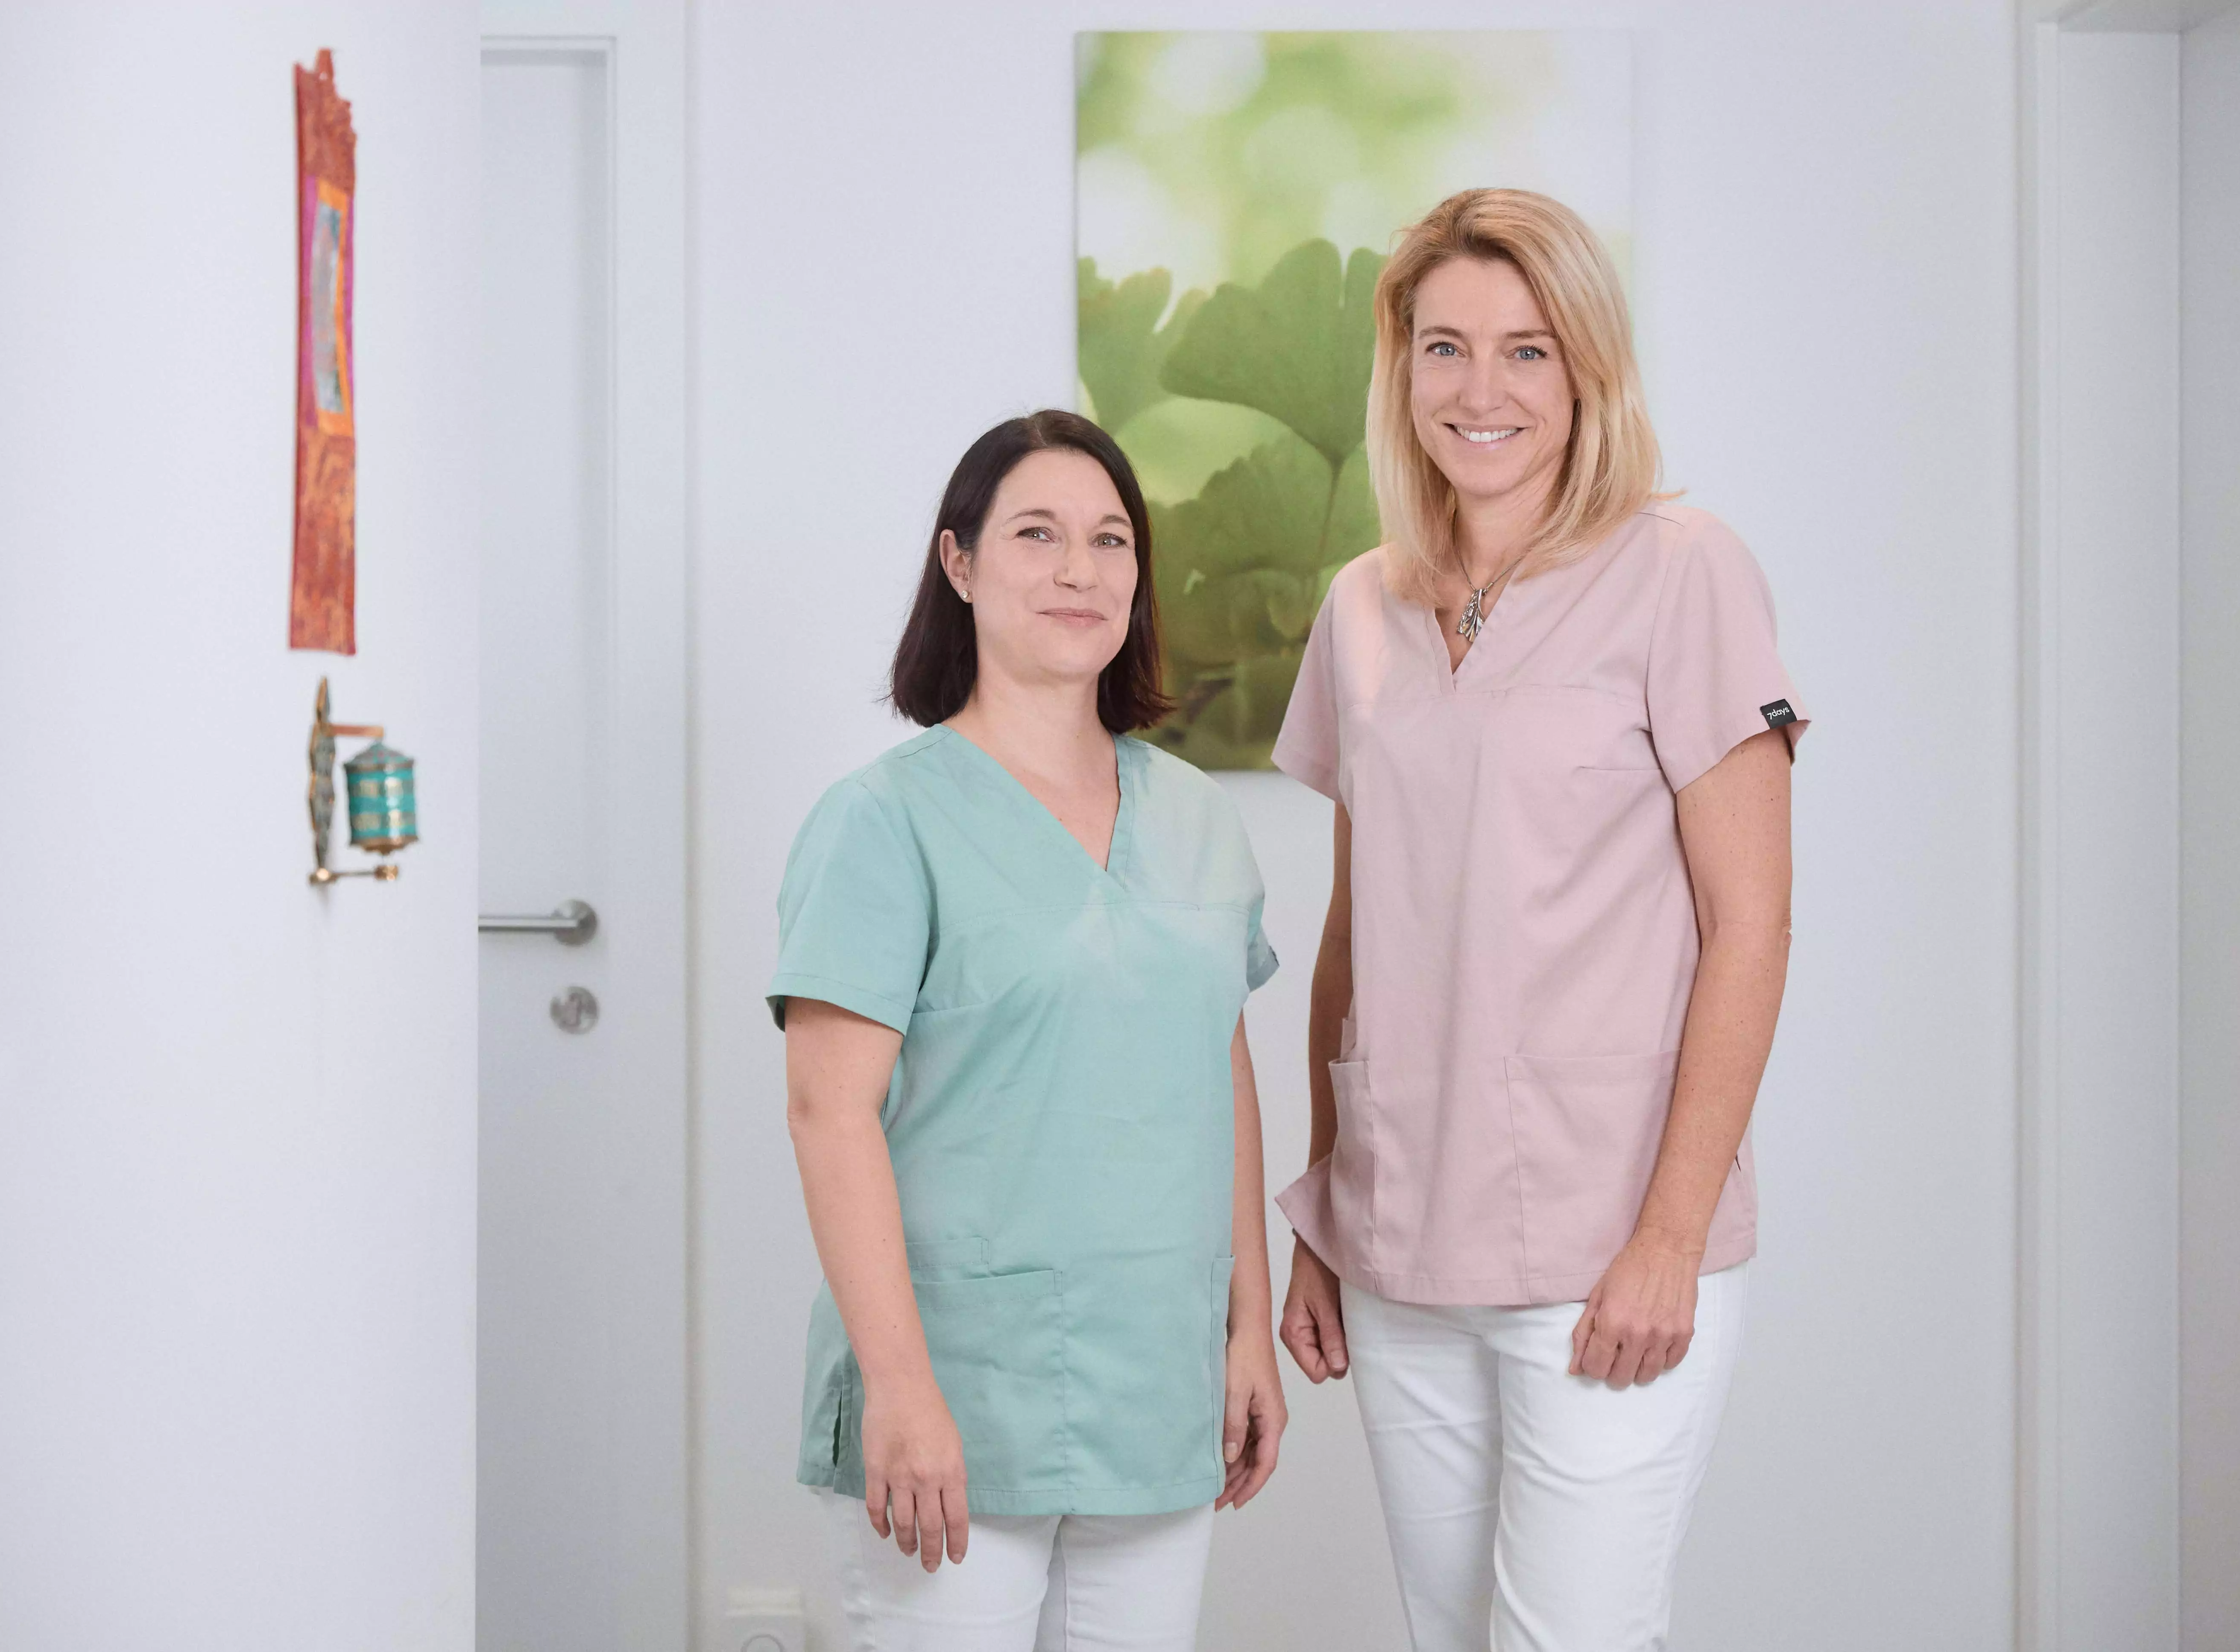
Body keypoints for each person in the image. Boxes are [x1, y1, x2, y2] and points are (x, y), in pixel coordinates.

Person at [1272, 189, 1807, 1652]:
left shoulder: (1684, 569)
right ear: (1401, 368)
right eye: (1445, 347)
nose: (1482, 390)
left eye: (1527, 349)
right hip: (1399, 1246)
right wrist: (1324, 1209)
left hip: (1606, 1241)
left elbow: (1748, 926)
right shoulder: (1361, 607)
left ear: (1587, 368)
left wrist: (1670, 1237)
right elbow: (1352, 934)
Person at [773, 410, 1286, 1651]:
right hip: (956, 1385)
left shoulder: (1199, 817)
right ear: (959, 563)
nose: (1081, 570)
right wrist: (899, 1389)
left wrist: (1250, 1326)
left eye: (1112, 541)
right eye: (1039, 534)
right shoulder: (883, 823)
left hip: (1157, 1383)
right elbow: (827, 1110)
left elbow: (1219, 1065)